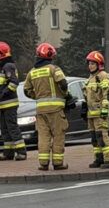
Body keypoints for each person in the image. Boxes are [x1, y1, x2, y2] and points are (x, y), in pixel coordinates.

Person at [22, 42, 72, 171]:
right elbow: (63, 84)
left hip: (40, 110)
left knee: (43, 136)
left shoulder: (31, 72)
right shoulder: (54, 69)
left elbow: (26, 90)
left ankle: (43, 163)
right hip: (56, 110)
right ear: (50, 55)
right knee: (58, 135)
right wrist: (66, 96)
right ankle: (58, 163)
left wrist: (37, 97)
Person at [0, 41, 27, 161]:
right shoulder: (4, 67)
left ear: (1, 54)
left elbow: (14, 82)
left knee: (12, 128)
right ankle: (8, 153)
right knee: (5, 129)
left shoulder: (8, 66)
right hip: (3, 105)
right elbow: (2, 84)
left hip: (9, 104)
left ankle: (21, 152)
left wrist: (3, 93)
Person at [82, 50, 109, 169]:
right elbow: (88, 96)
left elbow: (107, 94)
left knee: (102, 136)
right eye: (89, 63)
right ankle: (99, 158)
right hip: (91, 114)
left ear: (99, 64)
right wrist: (84, 108)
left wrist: (105, 110)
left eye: (93, 63)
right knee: (94, 139)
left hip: (100, 113)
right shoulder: (91, 78)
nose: (90, 66)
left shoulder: (103, 76)